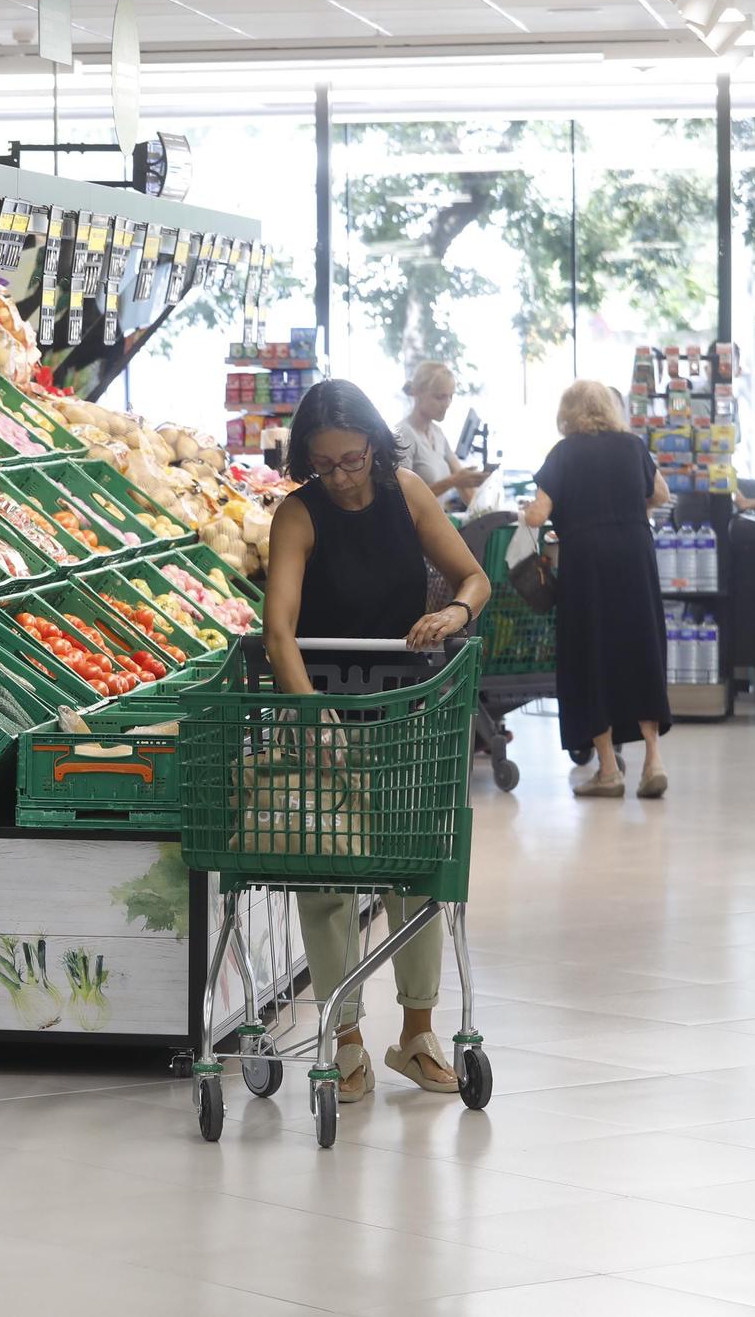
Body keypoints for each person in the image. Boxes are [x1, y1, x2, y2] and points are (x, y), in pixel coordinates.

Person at [264, 379, 492, 1104]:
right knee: (326, 878)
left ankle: (417, 1036)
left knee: (416, 871)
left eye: (352, 459)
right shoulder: (297, 516)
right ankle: (348, 1042)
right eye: (325, 464)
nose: (342, 476)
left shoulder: (407, 491)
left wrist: (455, 612)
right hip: (324, 711)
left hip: (407, 711)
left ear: (373, 444)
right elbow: (279, 631)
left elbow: (474, 577)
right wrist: (312, 716)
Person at [523, 379, 673, 799]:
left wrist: (525, 514)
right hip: (635, 552)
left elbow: (538, 515)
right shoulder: (632, 447)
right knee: (642, 647)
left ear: (568, 413)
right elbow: (660, 493)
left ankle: (608, 770)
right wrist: (625, 512)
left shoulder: (564, 453)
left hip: (587, 561)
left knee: (591, 655)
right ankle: (653, 762)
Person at [397, 361, 489, 508]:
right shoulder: (403, 435)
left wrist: (482, 494)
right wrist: (452, 481)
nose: (447, 403)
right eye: (440, 397)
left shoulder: (437, 433)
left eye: (450, 397)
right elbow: (403, 499)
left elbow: (462, 481)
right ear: (418, 393)